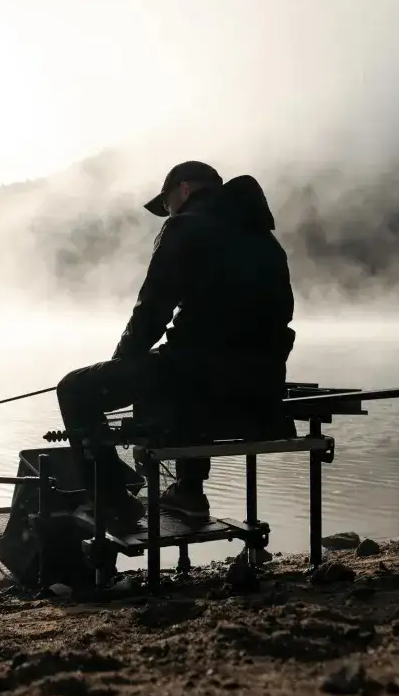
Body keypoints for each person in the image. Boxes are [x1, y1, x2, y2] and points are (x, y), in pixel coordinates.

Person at [55, 160, 296, 522]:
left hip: (201, 380)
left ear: (184, 189)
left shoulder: (185, 226)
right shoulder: (265, 239)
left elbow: (151, 312)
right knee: (185, 368)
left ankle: (113, 503)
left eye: (166, 203)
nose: (168, 211)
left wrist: (120, 363)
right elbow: (282, 311)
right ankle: (188, 490)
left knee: (75, 389)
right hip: (260, 388)